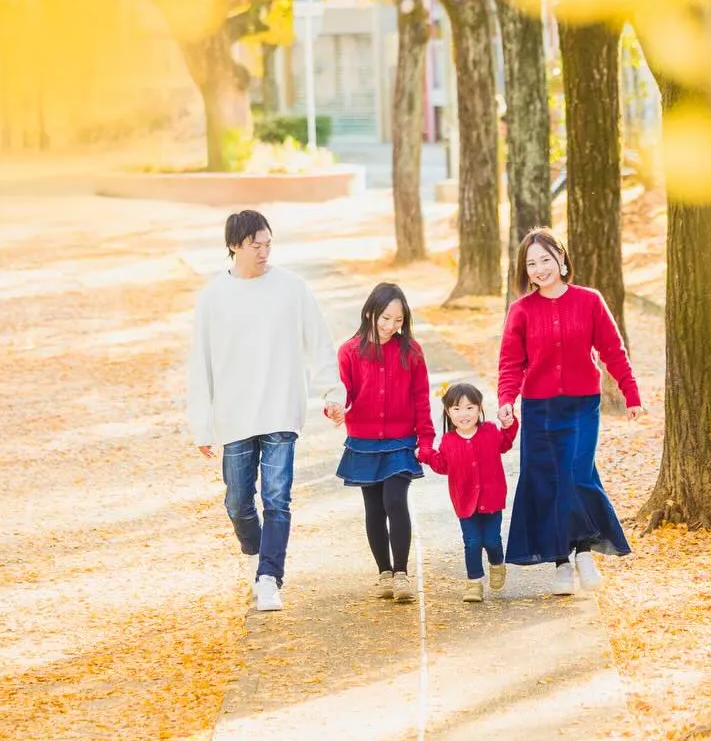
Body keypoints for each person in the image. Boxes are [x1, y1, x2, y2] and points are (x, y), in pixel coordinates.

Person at [188, 209, 338, 612]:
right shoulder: (214, 297)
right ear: (235, 245)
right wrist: (201, 424)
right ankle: (256, 555)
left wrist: (332, 392)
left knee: (277, 498)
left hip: (280, 410)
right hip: (234, 416)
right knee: (238, 502)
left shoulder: (291, 288)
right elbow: (199, 363)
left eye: (268, 243)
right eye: (256, 244)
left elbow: (319, 342)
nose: (264, 251)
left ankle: (270, 576)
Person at [498, 227, 643, 595]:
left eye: (545, 259)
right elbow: (511, 362)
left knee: (577, 474)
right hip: (539, 409)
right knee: (547, 481)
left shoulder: (589, 301)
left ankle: (583, 551)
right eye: (531, 264)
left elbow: (613, 350)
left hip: (581, 405)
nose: (539, 269)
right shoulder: (521, 311)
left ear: (562, 260)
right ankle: (562, 562)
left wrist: (631, 393)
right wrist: (506, 400)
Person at [324, 282, 432, 604]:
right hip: (364, 441)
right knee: (374, 507)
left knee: (395, 501)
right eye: (385, 319)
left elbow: (422, 398)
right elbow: (341, 392)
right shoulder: (349, 351)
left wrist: (425, 439)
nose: (390, 327)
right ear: (371, 312)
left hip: (400, 440)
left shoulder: (410, 351)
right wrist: (335, 408)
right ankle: (384, 572)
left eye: (398, 321)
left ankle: (401, 574)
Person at [420, 382, 518, 602]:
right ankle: (474, 583)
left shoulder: (490, 431)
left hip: (491, 498)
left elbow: (506, 442)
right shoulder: (448, 441)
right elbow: (443, 466)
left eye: (469, 408)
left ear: (479, 408)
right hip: (464, 501)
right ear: (448, 412)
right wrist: (426, 454)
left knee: (491, 540)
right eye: (457, 409)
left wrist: (509, 425)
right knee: (472, 541)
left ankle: (497, 563)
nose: (464, 414)